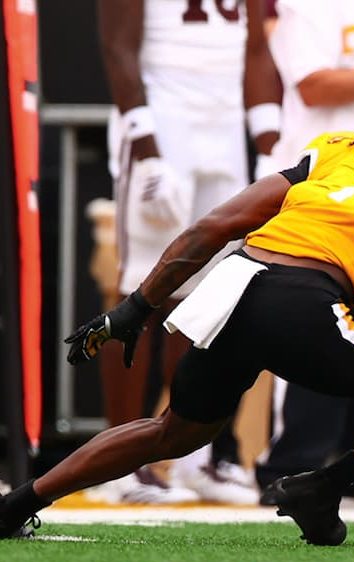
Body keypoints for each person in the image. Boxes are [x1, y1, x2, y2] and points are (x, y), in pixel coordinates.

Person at [0, 48, 354, 545]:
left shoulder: (340, 147)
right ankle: (325, 486)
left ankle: (17, 501)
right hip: (307, 304)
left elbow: (218, 224)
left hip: (234, 285)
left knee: (175, 431)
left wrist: (136, 307)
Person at [91, 0, 281, 504]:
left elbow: (255, 49)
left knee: (210, 297)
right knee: (140, 288)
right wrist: (145, 146)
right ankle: (119, 466)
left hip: (222, 128)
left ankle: (195, 458)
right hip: (163, 123)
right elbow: (117, 46)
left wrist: (268, 144)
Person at [253, 0, 354, 506]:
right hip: (327, 187)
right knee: (310, 324)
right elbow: (313, 85)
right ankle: (290, 464)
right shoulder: (312, 7)